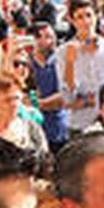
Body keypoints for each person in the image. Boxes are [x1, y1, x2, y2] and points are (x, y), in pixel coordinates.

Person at [59, 0, 104, 133]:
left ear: (96, 16)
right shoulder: (63, 52)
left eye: (89, 15)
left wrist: (88, 100)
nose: (86, 22)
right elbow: (67, 98)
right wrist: (70, 63)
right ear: (72, 20)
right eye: (80, 17)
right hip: (80, 124)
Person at [0, 68, 49, 156]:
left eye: (17, 99)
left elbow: (46, 163)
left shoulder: (32, 129)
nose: (15, 105)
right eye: (8, 100)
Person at [27, 21, 69, 150]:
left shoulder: (63, 61)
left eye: (52, 36)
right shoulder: (25, 64)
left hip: (60, 130)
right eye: (46, 37)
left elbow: (66, 96)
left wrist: (37, 104)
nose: (52, 41)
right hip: (33, 133)